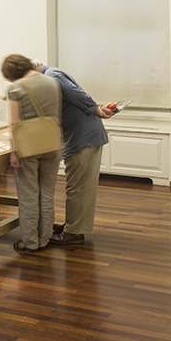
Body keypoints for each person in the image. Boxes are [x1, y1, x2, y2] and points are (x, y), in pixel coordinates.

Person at [32, 60, 115, 246]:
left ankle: (75, 232)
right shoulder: (53, 74)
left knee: (78, 187)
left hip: (82, 138)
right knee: (77, 185)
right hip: (81, 136)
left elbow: (76, 94)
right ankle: (72, 225)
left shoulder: (51, 76)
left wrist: (96, 110)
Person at [2, 53, 62, 253]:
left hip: (28, 146)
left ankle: (30, 242)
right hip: (52, 143)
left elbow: (14, 123)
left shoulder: (15, 88)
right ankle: (44, 239)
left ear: (11, 74)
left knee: (29, 195)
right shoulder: (52, 82)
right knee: (47, 194)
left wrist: (14, 152)